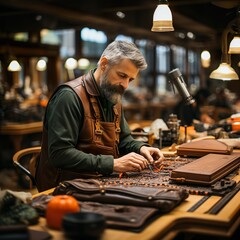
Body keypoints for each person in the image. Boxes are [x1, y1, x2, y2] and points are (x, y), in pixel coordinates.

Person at [35, 40, 165, 191]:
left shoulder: (113, 94)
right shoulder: (69, 97)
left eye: (130, 79)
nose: (125, 85)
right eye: (122, 75)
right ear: (104, 64)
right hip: (63, 188)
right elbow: (60, 154)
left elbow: (123, 139)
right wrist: (113, 164)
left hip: (100, 182)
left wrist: (141, 148)